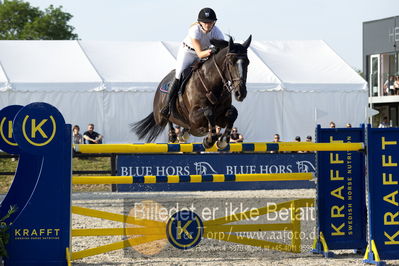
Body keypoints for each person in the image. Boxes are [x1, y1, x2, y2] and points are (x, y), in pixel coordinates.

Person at [160, 7, 225, 119]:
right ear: (200, 22)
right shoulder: (194, 30)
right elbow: (199, 54)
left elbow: (223, 48)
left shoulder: (217, 32)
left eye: (210, 22)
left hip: (206, 54)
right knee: (179, 73)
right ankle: (167, 105)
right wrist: (214, 50)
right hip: (188, 52)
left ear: (214, 22)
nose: (208, 25)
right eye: (205, 22)